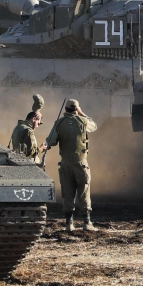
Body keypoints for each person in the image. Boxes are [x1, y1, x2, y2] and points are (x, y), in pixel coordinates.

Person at [46, 99, 98, 232]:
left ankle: (69, 224)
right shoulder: (83, 121)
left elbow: (51, 142)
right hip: (81, 163)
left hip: (65, 163)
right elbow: (94, 126)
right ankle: (87, 223)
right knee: (84, 191)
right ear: (77, 109)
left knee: (67, 192)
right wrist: (82, 113)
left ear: (65, 109)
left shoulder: (59, 123)